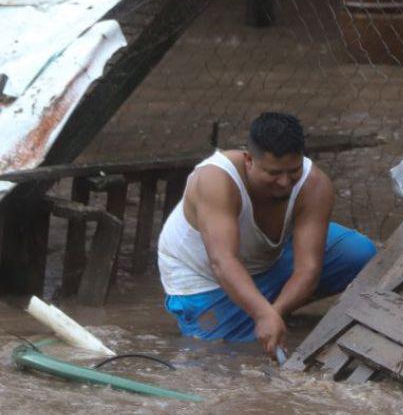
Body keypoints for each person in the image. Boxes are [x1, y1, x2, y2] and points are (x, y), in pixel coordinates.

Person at [158, 112, 377, 356]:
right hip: (205, 279)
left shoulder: (314, 183)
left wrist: (275, 313)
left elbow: (309, 269)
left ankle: (268, 305)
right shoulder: (216, 179)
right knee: (223, 353)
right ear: (249, 160)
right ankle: (256, 308)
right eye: (273, 173)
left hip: (266, 262)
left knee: (361, 255)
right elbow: (223, 261)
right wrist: (263, 314)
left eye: (292, 171)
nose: (284, 182)